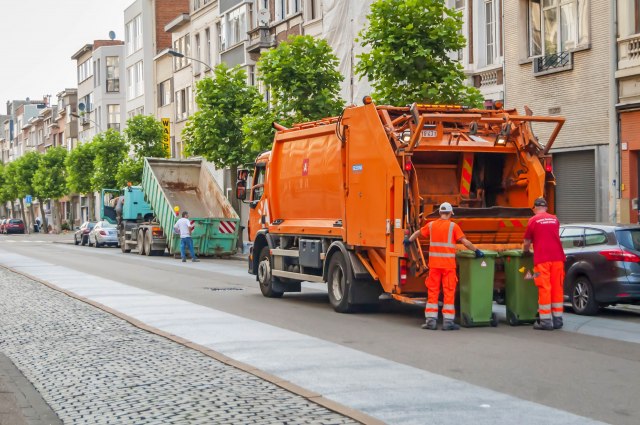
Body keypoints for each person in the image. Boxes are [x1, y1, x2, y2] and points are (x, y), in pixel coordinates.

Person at [405, 202, 484, 331]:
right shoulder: (454, 227)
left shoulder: (431, 225)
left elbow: (417, 233)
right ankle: (448, 322)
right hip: (448, 266)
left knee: (433, 292)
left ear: (440, 213)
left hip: (434, 266)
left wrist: (408, 241)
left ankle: (431, 321)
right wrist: (476, 250)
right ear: (451, 213)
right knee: (448, 292)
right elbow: (465, 242)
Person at [523, 197, 566, 331]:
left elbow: (527, 242)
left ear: (535, 208)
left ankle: (546, 321)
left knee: (544, 288)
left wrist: (526, 252)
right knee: (557, 288)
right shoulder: (555, 219)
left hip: (542, 259)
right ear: (546, 208)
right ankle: (557, 320)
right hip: (558, 258)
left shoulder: (533, 220)